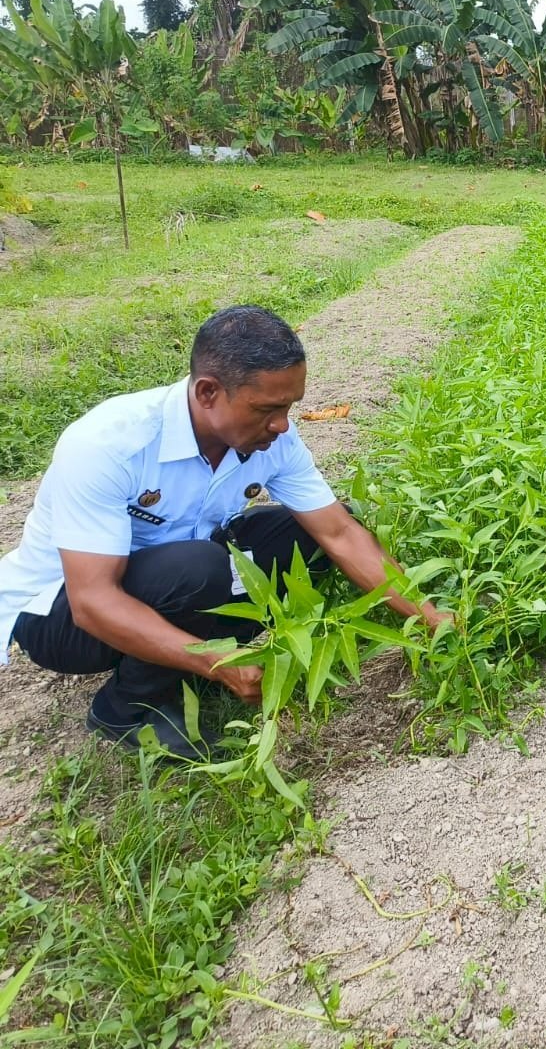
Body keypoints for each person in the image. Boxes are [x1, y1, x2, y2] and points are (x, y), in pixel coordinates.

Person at [0, 305, 452, 759]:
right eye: (267, 409)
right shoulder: (110, 445)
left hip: (172, 579)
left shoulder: (275, 440)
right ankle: (129, 709)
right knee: (199, 568)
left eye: (290, 407)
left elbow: (340, 533)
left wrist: (431, 618)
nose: (282, 424)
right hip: (58, 614)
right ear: (208, 392)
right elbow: (92, 601)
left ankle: (180, 661)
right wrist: (220, 662)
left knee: (303, 538)